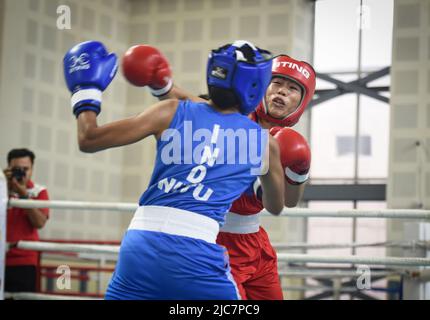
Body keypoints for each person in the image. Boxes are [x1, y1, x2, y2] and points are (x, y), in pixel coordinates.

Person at [63, 40, 285, 299]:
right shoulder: (263, 143)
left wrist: (85, 89)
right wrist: (275, 175)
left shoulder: (169, 111)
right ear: (255, 86)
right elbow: (276, 206)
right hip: (196, 253)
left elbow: (89, 139)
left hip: (139, 245)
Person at [134, 46, 316, 299]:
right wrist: (162, 86)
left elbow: (290, 201)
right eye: (277, 83)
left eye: (292, 88)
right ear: (262, 85)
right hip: (217, 240)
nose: (282, 91)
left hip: (255, 242)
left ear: (301, 101)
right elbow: (194, 105)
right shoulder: (235, 117)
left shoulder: (289, 144)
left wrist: (300, 170)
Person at [3, 148, 50, 293]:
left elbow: (39, 223)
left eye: (25, 169)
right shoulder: (0, 189)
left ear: (32, 169)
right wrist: (2, 184)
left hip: (24, 260)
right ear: (8, 168)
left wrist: (24, 195)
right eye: (17, 169)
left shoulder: (39, 191)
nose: (21, 173)